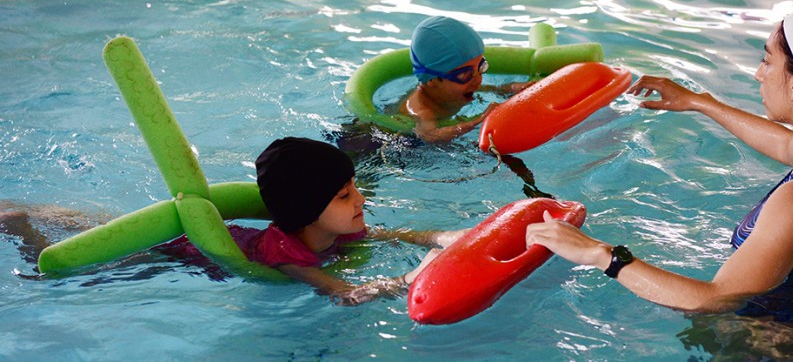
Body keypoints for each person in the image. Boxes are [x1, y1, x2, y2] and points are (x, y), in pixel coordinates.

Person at [526, 0, 793, 320]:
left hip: (772, 345)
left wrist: (599, 254)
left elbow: (714, 299)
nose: (758, 74)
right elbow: (787, 147)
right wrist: (701, 103)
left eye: (767, 61)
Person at [2, 137, 468, 305]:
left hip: (222, 234)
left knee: (105, 221)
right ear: (307, 210)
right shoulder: (290, 256)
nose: (360, 199)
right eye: (345, 194)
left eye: (353, 187)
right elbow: (343, 294)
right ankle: (23, 223)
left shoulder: (340, 223)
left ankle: (42, 213)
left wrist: (444, 236)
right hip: (180, 253)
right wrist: (411, 276)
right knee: (97, 262)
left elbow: (396, 234)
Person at [402, 16, 529, 143]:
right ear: (432, 80)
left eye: (481, 67)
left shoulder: (460, 87)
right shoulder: (422, 109)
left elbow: (495, 89)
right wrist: (480, 120)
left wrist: (515, 88)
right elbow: (429, 136)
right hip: (408, 144)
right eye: (464, 75)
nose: (477, 80)